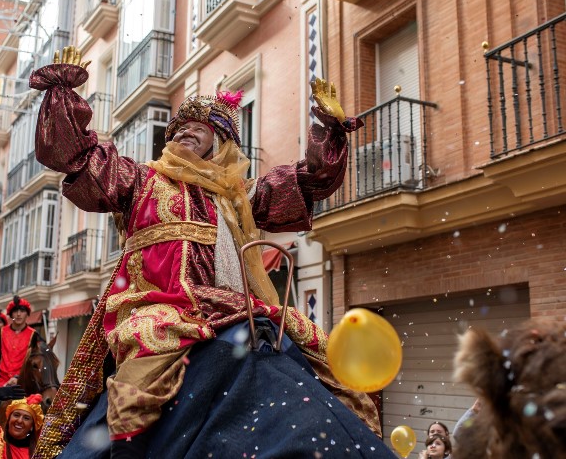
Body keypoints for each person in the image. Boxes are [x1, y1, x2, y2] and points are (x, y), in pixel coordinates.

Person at [28, 46, 383, 458]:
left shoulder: (238, 197)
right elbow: (78, 157)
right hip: (155, 306)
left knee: (316, 352)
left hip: (228, 304)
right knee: (139, 386)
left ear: (221, 142)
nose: (183, 132)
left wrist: (330, 131)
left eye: (197, 127)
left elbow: (308, 184)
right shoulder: (141, 180)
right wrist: (61, 90)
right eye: (178, 128)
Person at [0, 297, 41, 387]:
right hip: (1, 383)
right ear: (11, 314)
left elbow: (37, 362)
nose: (19, 314)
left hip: (24, 383)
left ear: (27, 314)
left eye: (22, 311)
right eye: (15, 311)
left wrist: (18, 377)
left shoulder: (34, 335)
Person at [3, 394, 44, 458]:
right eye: (16, 415)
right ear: (9, 419)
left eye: (26, 418)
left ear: (32, 427)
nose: (19, 421)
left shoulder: (38, 454)